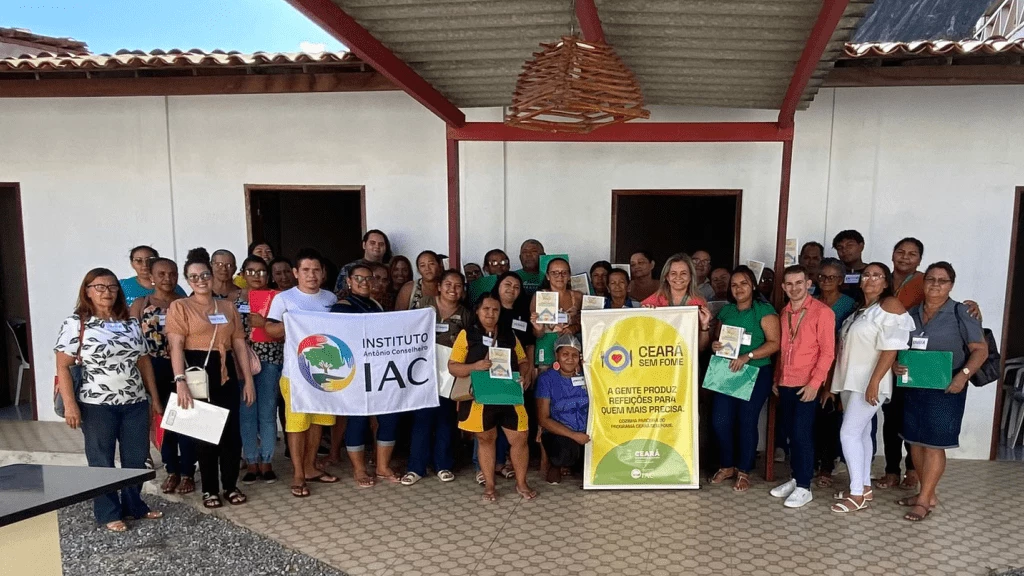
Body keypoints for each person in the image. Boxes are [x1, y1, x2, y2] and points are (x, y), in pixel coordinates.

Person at [55, 268, 164, 531]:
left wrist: (154, 399)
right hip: (96, 404)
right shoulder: (76, 324)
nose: (107, 292)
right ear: (88, 291)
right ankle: (107, 512)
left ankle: (134, 505)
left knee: (135, 457)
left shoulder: (129, 324)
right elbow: (63, 368)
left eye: (113, 287)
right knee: (101, 459)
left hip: (135, 402)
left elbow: (143, 362)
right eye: (100, 287)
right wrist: (70, 405)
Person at [891, 262, 987, 521]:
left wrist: (962, 377)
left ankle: (924, 500)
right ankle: (927, 493)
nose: (935, 284)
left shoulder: (961, 312)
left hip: (946, 389)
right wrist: (896, 364)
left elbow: (980, 349)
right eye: (931, 279)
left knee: (934, 445)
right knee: (915, 442)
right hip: (914, 387)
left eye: (942, 281)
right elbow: (899, 347)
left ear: (951, 285)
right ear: (923, 283)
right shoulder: (911, 314)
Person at [167, 250, 255, 509]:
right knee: (205, 434)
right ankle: (209, 489)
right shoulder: (180, 307)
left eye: (204, 274)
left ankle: (230, 485)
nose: (201, 280)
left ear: (211, 275)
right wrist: (180, 381)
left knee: (230, 433)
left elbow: (239, 345)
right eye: (194, 276)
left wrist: (247, 380)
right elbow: (176, 347)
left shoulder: (227, 307)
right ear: (187, 280)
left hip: (225, 370)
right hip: (196, 373)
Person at [829, 262, 914, 514]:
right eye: (866, 275)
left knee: (848, 433)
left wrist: (875, 381)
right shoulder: (862, 309)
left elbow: (891, 348)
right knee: (862, 433)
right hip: (851, 380)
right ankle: (864, 485)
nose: (870, 279)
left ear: (886, 282)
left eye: (877, 275)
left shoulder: (890, 306)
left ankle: (856, 494)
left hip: (869, 381)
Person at [260, 248, 340, 498]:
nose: (311, 275)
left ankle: (311, 467)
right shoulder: (284, 299)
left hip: (325, 372)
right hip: (296, 372)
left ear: (323, 273)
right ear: (296, 273)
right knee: (296, 424)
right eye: (306, 270)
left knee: (318, 422)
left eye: (316, 270)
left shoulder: (330, 299)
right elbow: (270, 329)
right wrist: (294, 323)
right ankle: (297, 473)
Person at [451, 294, 536, 501]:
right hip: (481, 398)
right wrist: (475, 366)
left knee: (520, 438)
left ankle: (521, 483)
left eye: (495, 310)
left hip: (508, 394)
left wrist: (525, 375)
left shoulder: (509, 334)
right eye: (486, 309)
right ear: (477, 311)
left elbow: (523, 360)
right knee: (486, 439)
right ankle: (490, 486)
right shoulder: (467, 335)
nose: (490, 314)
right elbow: (453, 367)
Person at [329, 264, 403, 487]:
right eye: (358, 278)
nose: (364, 282)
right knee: (358, 419)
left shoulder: (376, 304)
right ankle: (359, 469)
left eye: (368, 278)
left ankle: (382, 466)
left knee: (389, 416)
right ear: (349, 281)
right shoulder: (341, 308)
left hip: (379, 371)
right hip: (355, 373)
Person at [768, 265, 836, 509]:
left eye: (799, 283)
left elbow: (828, 353)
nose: (794, 288)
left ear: (808, 284)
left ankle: (805, 487)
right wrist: (777, 378)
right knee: (789, 434)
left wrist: (815, 383)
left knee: (802, 434)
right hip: (786, 382)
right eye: (789, 284)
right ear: (784, 287)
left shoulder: (822, 312)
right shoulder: (784, 312)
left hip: (807, 385)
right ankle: (796, 478)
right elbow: (782, 349)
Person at [710, 265, 781, 492]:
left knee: (746, 421)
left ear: (752, 285)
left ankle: (743, 470)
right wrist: (715, 345)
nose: (738, 288)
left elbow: (774, 343)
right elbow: (717, 341)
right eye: (734, 284)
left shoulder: (764, 310)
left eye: (743, 283)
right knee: (720, 420)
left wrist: (747, 356)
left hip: (755, 372)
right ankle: (727, 465)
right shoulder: (727, 311)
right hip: (727, 370)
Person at [129, 258, 193, 496]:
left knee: (186, 418)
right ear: (152, 277)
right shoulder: (141, 303)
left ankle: (188, 470)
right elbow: (132, 340)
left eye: (172, 274)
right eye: (162, 274)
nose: (168, 278)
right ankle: (172, 468)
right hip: (152, 366)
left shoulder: (186, 302)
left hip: (183, 366)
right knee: (163, 418)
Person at [403, 270, 471, 486]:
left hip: (449, 375)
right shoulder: (424, 304)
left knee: (445, 419)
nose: (453, 289)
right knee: (422, 420)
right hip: (421, 371)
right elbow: (406, 330)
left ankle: (443, 465)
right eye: (449, 284)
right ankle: (416, 467)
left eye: (458, 285)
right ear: (440, 286)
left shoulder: (466, 314)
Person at [877, 237, 926, 490]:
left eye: (912, 254)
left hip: (912, 358)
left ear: (920, 260)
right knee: (891, 416)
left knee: (911, 416)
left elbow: (941, 307)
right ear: (893, 254)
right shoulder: (883, 280)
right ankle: (891, 471)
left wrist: (972, 307)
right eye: (900, 252)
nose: (905, 257)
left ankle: (913, 470)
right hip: (885, 357)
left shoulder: (925, 282)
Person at [813, 257, 859, 488]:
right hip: (811, 369)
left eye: (832, 277)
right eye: (822, 276)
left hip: (839, 369)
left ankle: (827, 466)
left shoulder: (849, 305)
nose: (826, 281)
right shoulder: (811, 301)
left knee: (831, 419)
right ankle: (812, 463)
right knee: (812, 420)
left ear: (841, 280)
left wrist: (831, 383)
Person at [237, 256, 281, 484]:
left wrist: (264, 323)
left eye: (262, 271)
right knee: (246, 413)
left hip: (270, 357)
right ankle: (251, 461)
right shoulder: (232, 299)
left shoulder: (277, 298)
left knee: (267, 410)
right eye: (251, 271)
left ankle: (266, 460)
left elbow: (283, 328)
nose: (256, 276)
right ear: (243, 274)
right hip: (240, 360)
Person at [536, 334, 590, 485]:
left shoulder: (587, 376)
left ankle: (575, 466)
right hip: (560, 433)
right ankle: (556, 465)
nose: (570, 359)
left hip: (587, 432)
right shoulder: (547, 379)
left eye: (574, 355)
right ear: (556, 356)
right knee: (564, 453)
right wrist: (574, 435)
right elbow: (543, 418)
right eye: (565, 354)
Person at [119, 245, 185, 306]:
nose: (144, 264)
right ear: (132, 264)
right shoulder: (123, 285)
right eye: (139, 260)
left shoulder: (171, 286)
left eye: (149, 260)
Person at [333, 229, 391, 295]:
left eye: (381, 244)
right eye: (372, 243)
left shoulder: (389, 270)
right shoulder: (349, 268)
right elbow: (338, 295)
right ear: (364, 245)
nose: (377, 246)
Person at [832, 230, 867, 302]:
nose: (844, 250)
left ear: (861, 246)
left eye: (849, 245)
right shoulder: (833, 273)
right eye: (839, 247)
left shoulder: (872, 271)